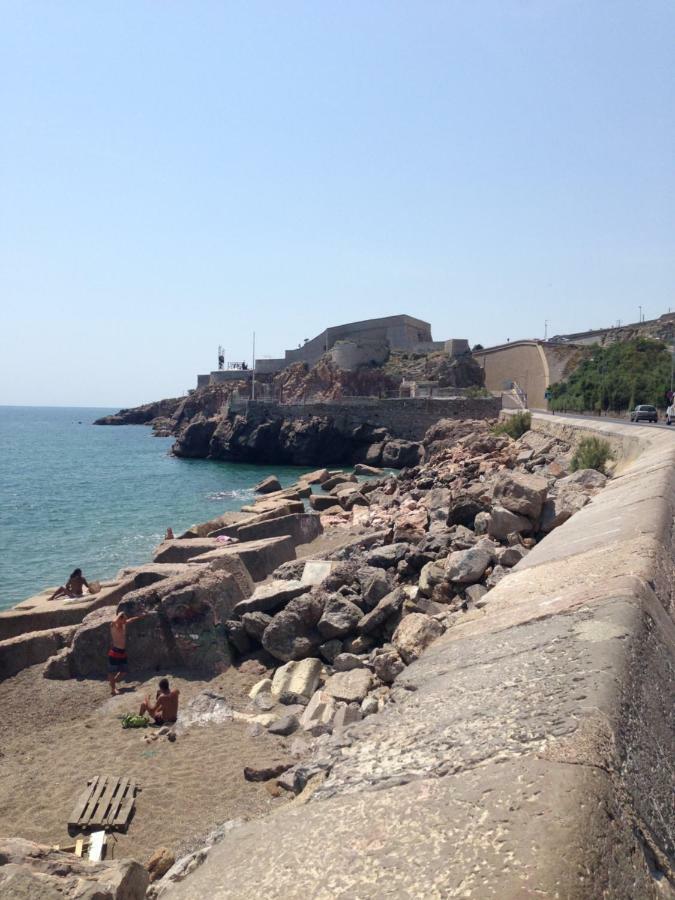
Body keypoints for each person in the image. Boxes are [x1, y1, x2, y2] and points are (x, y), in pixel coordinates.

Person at [108, 610, 146, 695]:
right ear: (119, 619)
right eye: (124, 619)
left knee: (124, 671)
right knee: (112, 671)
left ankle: (113, 682)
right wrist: (120, 614)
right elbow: (114, 621)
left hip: (122, 652)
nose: (126, 621)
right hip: (115, 651)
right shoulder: (113, 626)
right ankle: (113, 689)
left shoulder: (123, 624)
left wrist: (140, 616)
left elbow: (131, 620)